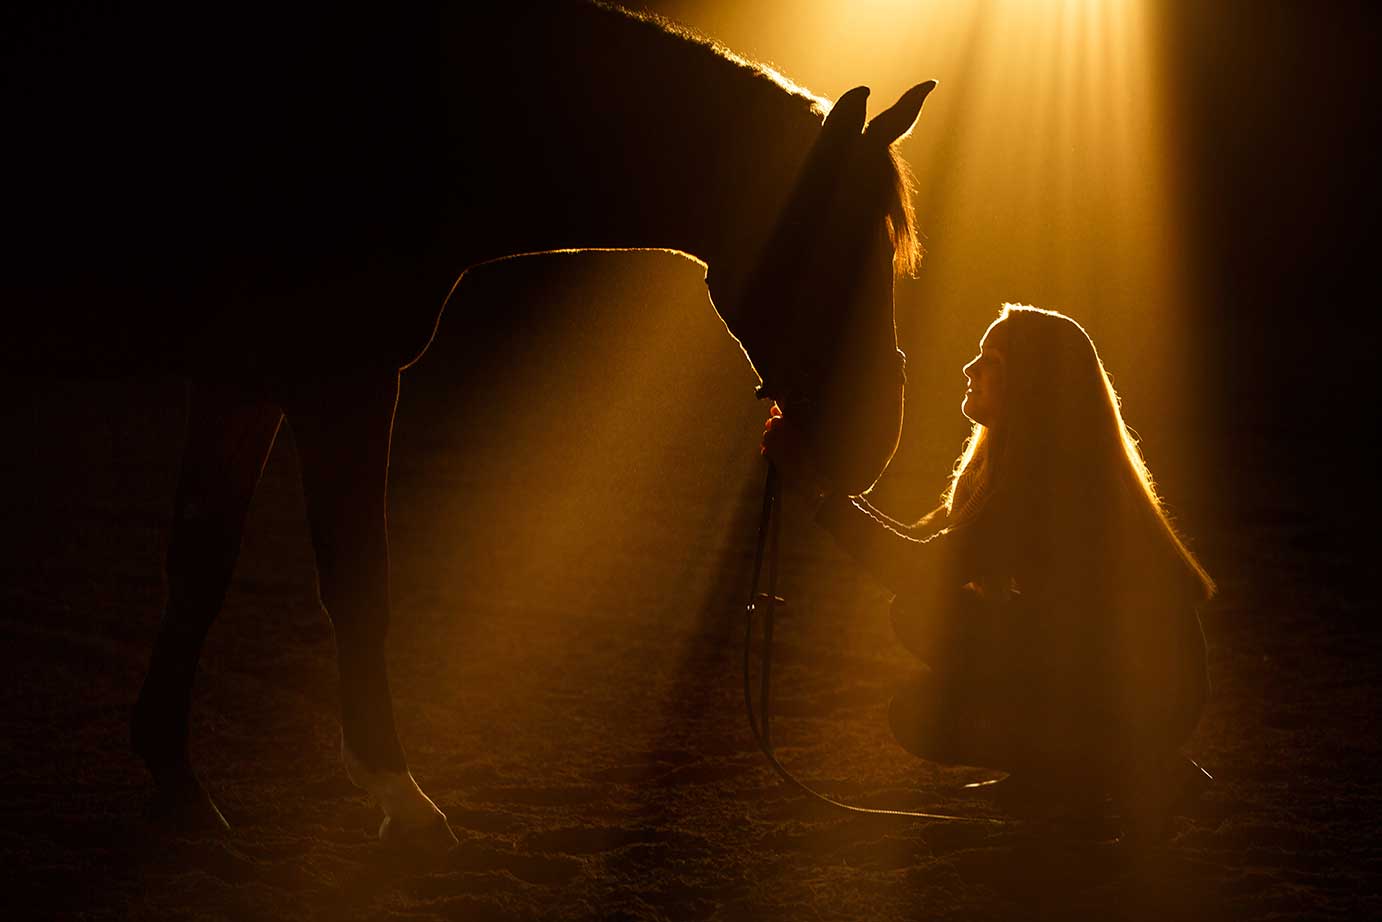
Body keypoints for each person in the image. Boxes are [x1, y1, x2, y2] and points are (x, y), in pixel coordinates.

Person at [760, 303, 1214, 842]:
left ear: (1033, 382)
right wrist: (826, 484)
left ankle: (1128, 770)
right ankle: (1062, 773)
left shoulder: (1048, 482)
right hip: (1131, 677)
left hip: (1150, 690)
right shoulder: (1012, 465)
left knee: (924, 672)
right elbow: (921, 546)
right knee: (929, 640)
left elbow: (914, 567)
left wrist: (816, 489)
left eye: (990, 359)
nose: (969, 370)